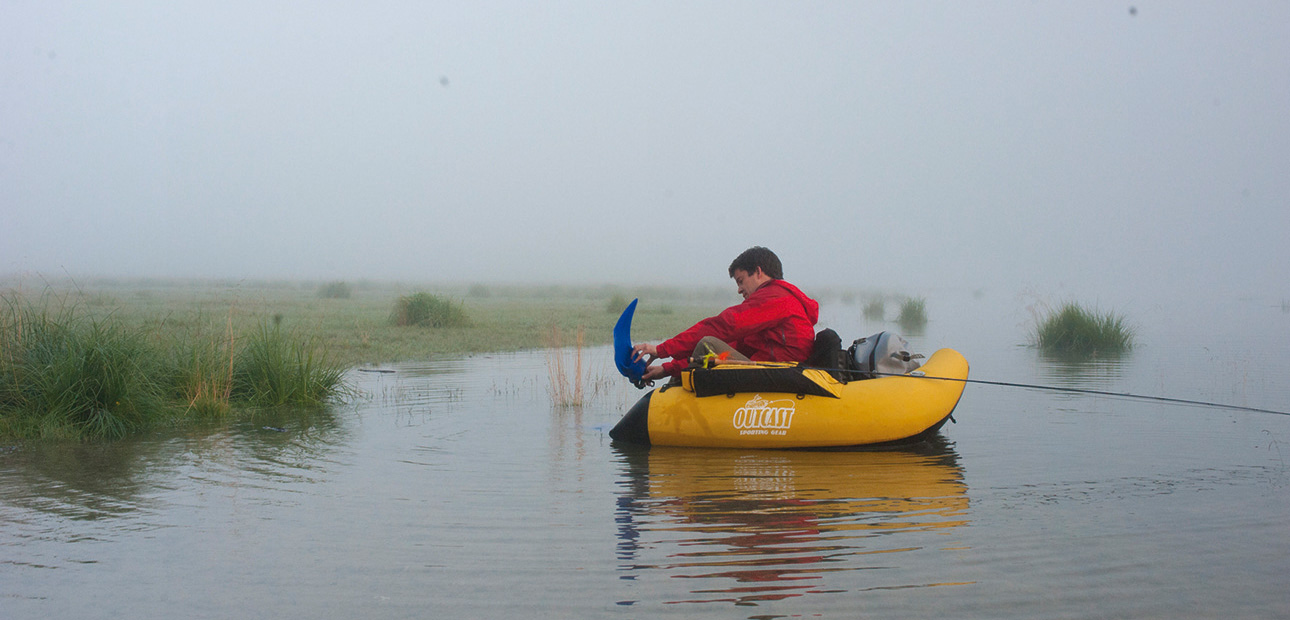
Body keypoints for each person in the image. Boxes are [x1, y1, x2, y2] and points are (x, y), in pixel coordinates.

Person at [632, 246, 820, 382]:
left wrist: (661, 350)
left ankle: (683, 399)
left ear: (758, 272)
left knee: (708, 343)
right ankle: (676, 385)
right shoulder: (777, 300)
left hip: (781, 374)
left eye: (741, 281)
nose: (739, 290)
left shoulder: (775, 298)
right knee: (715, 348)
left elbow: (724, 326)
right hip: (774, 370)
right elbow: (734, 346)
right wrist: (666, 369)